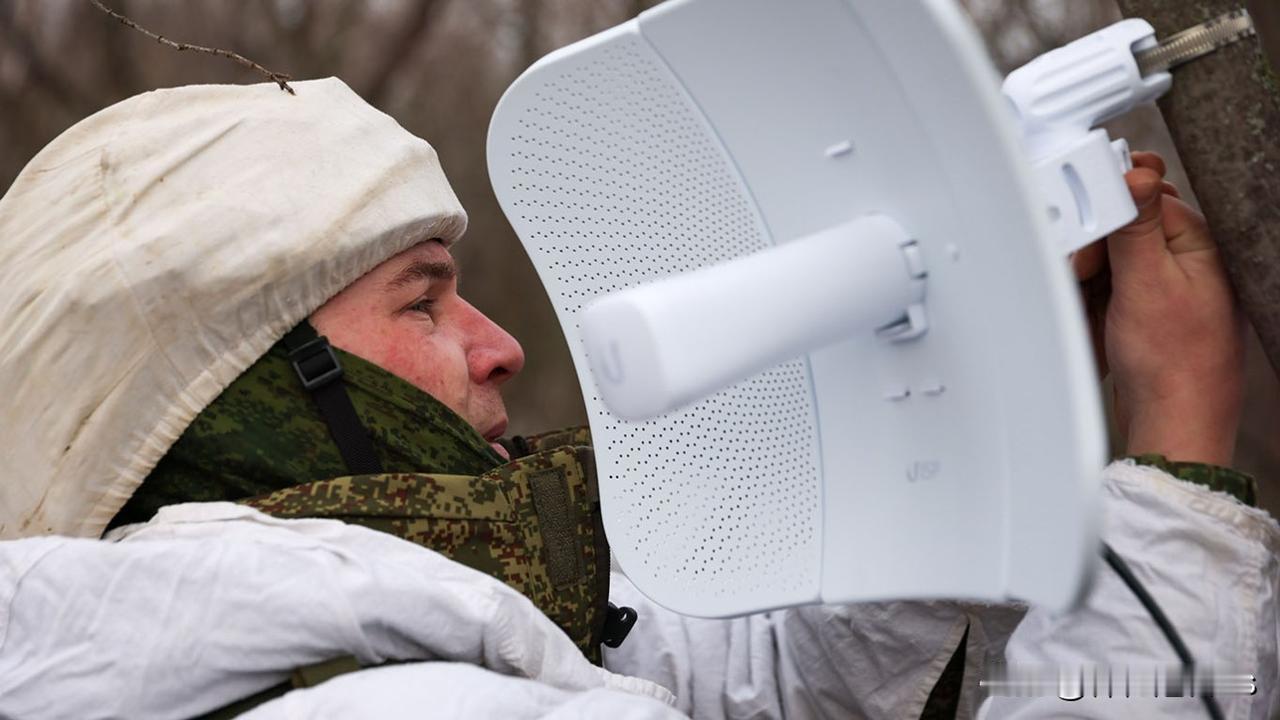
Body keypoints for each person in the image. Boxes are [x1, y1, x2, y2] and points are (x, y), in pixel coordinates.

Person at [0, 79, 1274, 720]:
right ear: (257, 395)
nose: (498, 346)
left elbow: (747, 682)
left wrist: (974, 363)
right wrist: (1176, 446)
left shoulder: (302, 651)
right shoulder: (403, 705)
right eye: (423, 301)